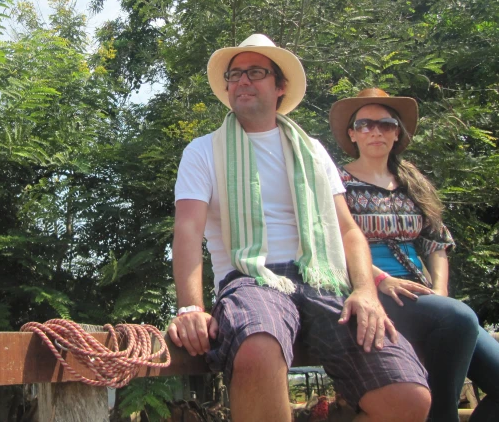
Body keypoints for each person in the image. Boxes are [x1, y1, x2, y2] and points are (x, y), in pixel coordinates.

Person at [168, 34, 430, 421]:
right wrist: (191, 307)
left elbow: (348, 232)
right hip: (251, 276)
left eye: (256, 72)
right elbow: (188, 231)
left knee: (408, 399)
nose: (242, 80)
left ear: (280, 86)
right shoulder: (204, 150)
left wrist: (364, 290)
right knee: (257, 347)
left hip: (323, 278)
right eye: (235, 73)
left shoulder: (313, 150)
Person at [330, 88, 499, 422]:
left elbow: (437, 243)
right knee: (461, 317)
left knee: (458, 318)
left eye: (386, 124)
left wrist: (441, 293)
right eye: (364, 124)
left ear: (397, 133)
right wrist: (380, 279)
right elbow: (331, 242)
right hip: (369, 289)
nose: (375, 131)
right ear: (352, 133)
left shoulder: (413, 181)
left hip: (421, 291)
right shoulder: (336, 180)